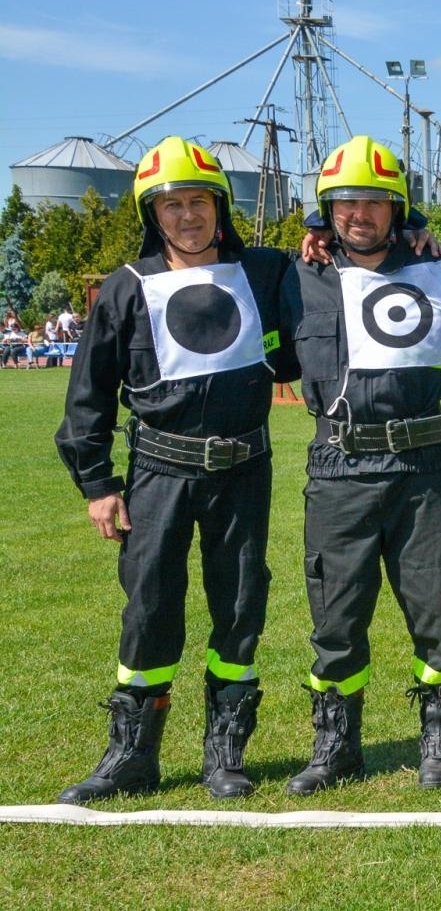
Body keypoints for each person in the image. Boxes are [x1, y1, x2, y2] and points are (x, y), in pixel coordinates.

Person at [55, 136, 294, 802]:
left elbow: (347, 251)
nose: (187, 215)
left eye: (198, 201)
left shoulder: (267, 272)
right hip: (157, 471)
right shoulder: (127, 289)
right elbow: (90, 391)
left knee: (240, 605)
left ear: (220, 206)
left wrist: (413, 228)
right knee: (151, 608)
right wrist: (98, 483)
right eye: (171, 205)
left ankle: (226, 753)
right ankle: (132, 755)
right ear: (151, 215)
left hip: (244, 469)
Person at [277, 136, 441, 794]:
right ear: (326, 213)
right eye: (343, 204)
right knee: (335, 617)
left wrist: (426, 229)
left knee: (436, 608)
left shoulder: (440, 266)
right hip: (338, 467)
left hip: (423, 467)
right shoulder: (295, 275)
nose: (358, 214)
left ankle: (440, 736)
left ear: (398, 209)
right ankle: (335, 744)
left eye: (374, 202)